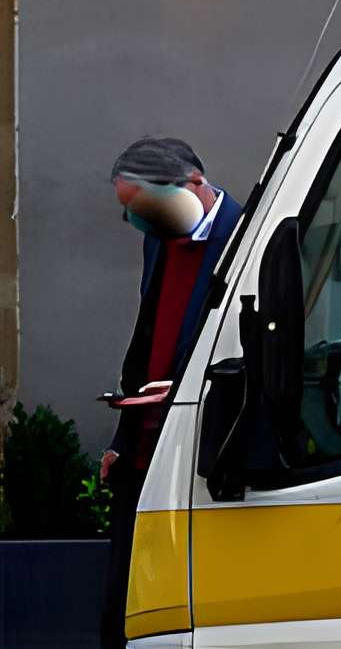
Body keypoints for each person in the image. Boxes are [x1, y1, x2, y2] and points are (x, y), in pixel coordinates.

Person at [101, 136, 239, 649]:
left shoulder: (245, 238)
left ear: (193, 185)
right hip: (143, 447)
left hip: (200, 451)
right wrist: (122, 434)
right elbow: (147, 338)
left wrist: (184, 391)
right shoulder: (158, 241)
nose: (140, 223)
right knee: (122, 602)